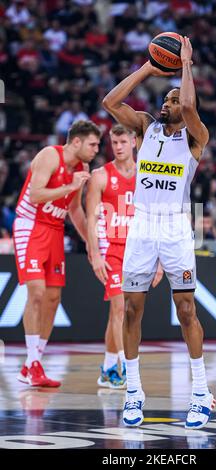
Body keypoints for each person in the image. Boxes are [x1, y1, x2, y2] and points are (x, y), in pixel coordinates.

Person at [102, 36, 215, 429]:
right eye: (164, 101)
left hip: (175, 228)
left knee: (186, 310)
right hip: (142, 225)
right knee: (131, 310)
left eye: (170, 101)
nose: (166, 105)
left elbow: (188, 105)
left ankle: (200, 392)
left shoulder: (195, 137)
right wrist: (149, 68)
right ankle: (134, 392)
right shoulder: (146, 128)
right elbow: (110, 104)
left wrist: (184, 65)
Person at [13, 120, 101, 387]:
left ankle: (31, 365)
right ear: (76, 142)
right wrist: (69, 186)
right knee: (37, 292)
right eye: (93, 144)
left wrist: (90, 244)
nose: (97, 149)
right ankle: (33, 363)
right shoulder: (50, 155)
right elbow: (36, 195)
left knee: (53, 298)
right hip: (32, 224)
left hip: (55, 230)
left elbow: (74, 209)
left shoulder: (83, 168)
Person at [86, 123, 163, 389]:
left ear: (133, 142)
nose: (118, 147)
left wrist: (160, 260)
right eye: (113, 143)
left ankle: (108, 368)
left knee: (117, 312)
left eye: (122, 142)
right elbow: (91, 219)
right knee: (121, 307)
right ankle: (129, 371)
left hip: (139, 248)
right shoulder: (100, 176)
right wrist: (94, 253)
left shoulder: (147, 172)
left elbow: (158, 216)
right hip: (113, 249)